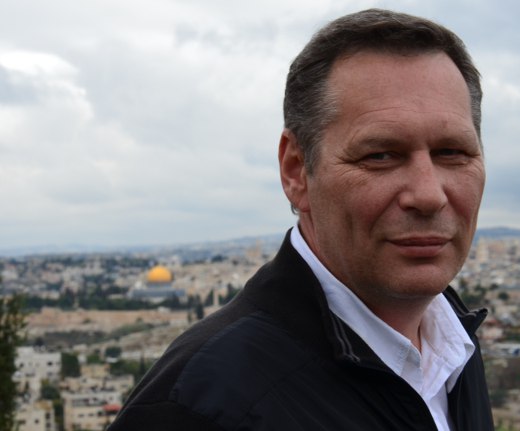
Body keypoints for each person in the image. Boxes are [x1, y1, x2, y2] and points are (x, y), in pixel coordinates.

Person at [109, 8, 492, 431]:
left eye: (452, 153)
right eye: (381, 155)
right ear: (296, 171)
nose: (429, 195)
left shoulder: (453, 347)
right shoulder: (199, 407)